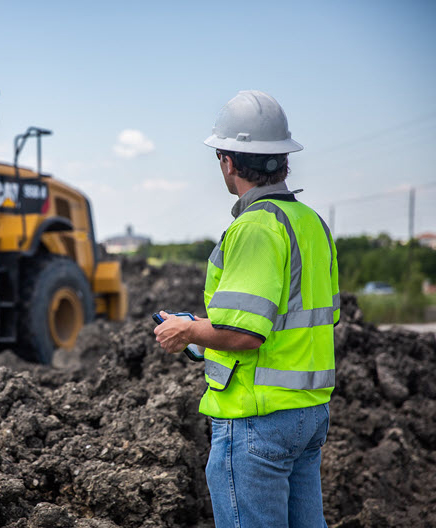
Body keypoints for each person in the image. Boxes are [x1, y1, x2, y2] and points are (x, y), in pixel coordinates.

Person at [154, 90, 339, 528]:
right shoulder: (310, 223)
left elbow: (246, 336)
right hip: (307, 413)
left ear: (228, 161)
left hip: (259, 420)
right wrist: (202, 329)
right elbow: (293, 320)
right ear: (283, 159)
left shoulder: (255, 228)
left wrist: (188, 332)